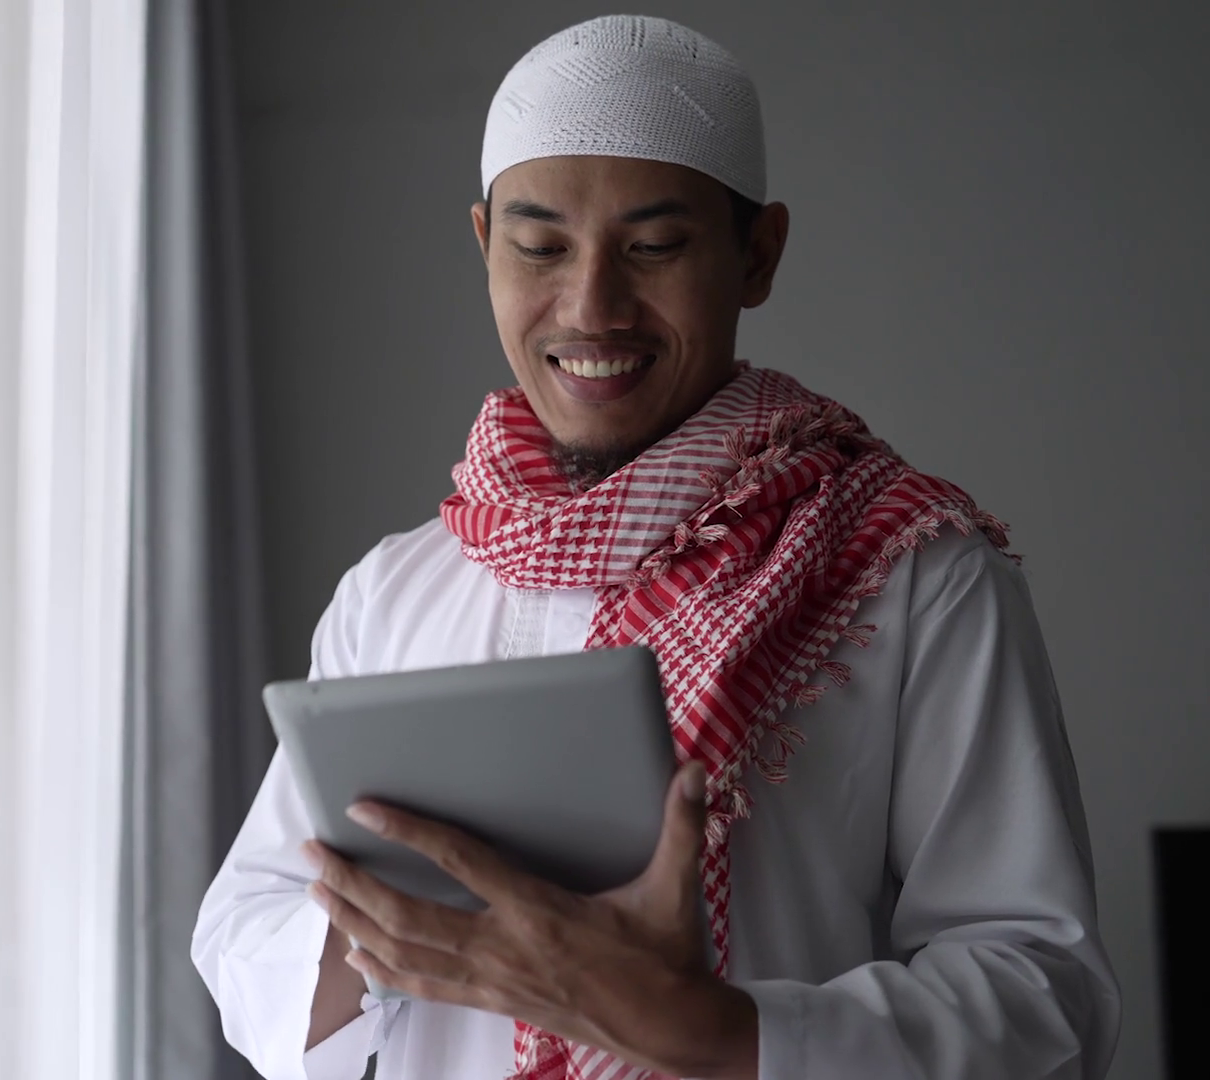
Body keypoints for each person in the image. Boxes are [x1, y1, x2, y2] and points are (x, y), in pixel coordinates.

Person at [192, 14, 1120, 1080]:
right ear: (485, 245)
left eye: (654, 248)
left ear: (757, 255)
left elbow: (1043, 993)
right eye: (541, 248)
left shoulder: (913, 573)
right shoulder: (397, 590)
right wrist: (410, 924)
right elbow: (244, 932)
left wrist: (705, 1030)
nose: (592, 307)